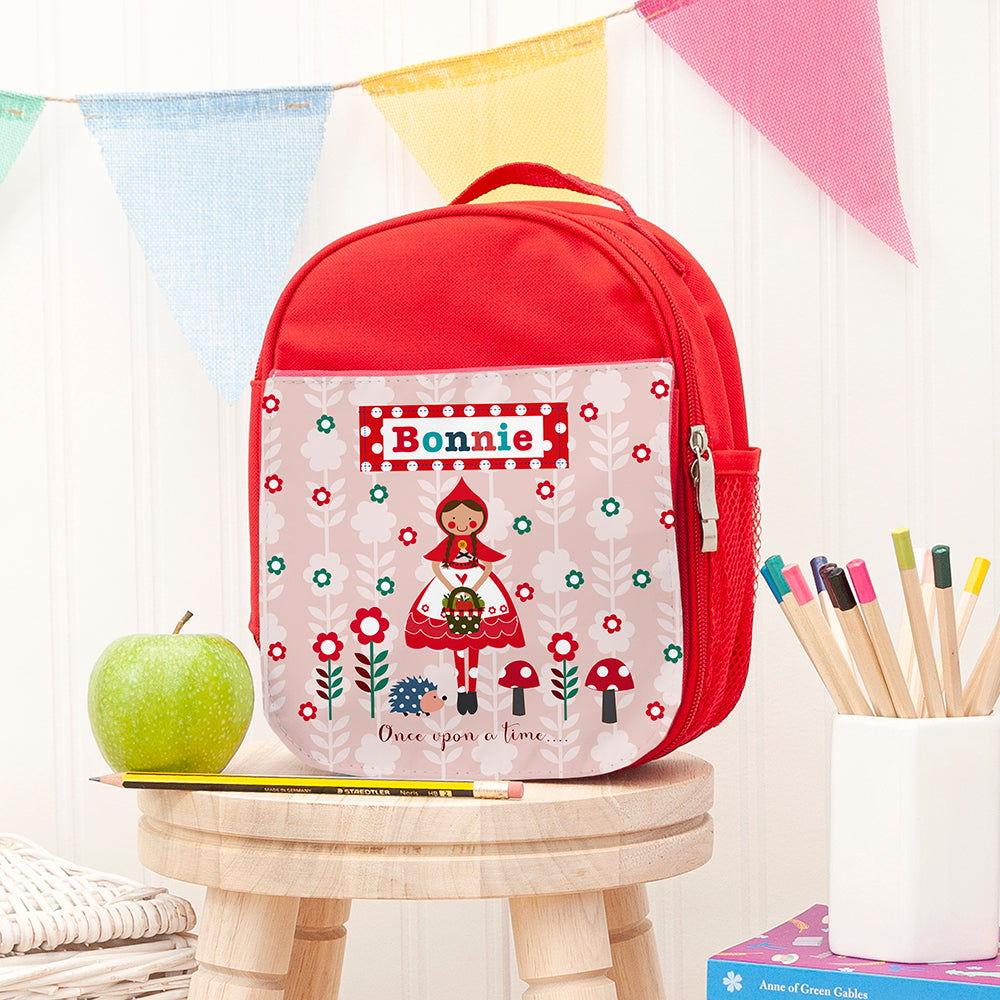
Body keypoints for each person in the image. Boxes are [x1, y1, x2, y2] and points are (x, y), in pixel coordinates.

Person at [404, 478, 524, 715]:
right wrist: (449, 585)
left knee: (476, 640)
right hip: (450, 585)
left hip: (476, 585)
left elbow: (488, 565)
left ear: (479, 521)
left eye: (470, 520)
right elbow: (436, 565)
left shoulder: (475, 544)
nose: (461, 525)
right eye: (453, 520)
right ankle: (461, 690)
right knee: (456, 641)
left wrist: (477, 585)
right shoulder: (448, 544)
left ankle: (472, 690)